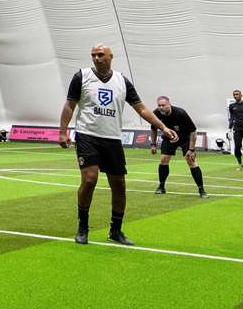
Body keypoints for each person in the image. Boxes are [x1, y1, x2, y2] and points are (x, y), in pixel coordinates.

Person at [58, 43, 178, 246]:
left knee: (119, 185)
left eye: (100, 55)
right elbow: (70, 105)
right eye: (93, 55)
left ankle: (116, 230)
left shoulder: (122, 81)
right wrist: (62, 132)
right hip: (87, 135)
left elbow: (141, 109)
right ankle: (83, 227)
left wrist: (163, 127)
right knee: (89, 180)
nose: (96, 58)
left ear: (111, 57)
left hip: (112, 138)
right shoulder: (82, 76)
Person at [151, 95, 204, 197]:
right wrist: (153, 144)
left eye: (163, 105)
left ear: (169, 104)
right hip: (169, 137)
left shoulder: (180, 113)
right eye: (159, 105)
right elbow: (153, 129)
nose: (161, 107)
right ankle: (161, 187)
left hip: (185, 138)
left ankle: (201, 190)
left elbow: (193, 132)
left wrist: (191, 149)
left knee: (191, 161)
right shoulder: (156, 113)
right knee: (163, 160)